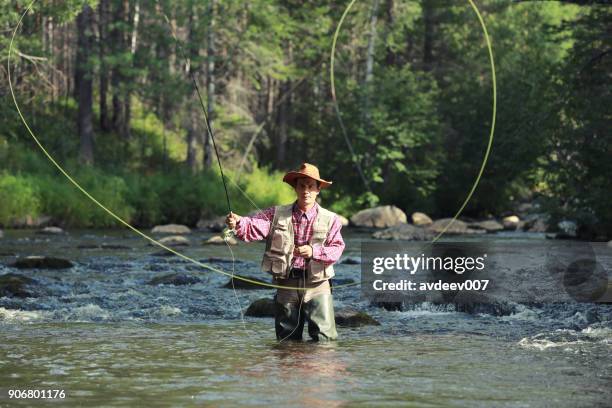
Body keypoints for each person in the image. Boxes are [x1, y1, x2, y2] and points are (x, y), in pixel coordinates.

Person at [226, 163, 345, 341]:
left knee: (325, 341)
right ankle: (289, 369)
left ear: (318, 189)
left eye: (311, 186)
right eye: (302, 186)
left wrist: (314, 251)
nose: (306, 191)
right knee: (286, 342)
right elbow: (254, 227)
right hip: (286, 284)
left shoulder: (332, 219)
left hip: (318, 285)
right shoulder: (276, 214)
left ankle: (320, 369)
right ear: (295, 188)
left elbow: (337, 249)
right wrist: (238, 222)